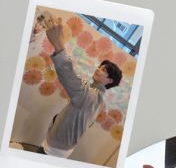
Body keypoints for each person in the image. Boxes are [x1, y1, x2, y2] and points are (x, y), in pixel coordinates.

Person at [31, 15, 122, 158]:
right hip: (58, 144)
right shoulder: (96, 96)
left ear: (109, 80)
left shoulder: (92, 96)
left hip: (54, 150)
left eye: (104, 70)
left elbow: (70, 77)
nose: (98, 69)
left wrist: (59, 45)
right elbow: (75, 78)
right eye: (100, 67)